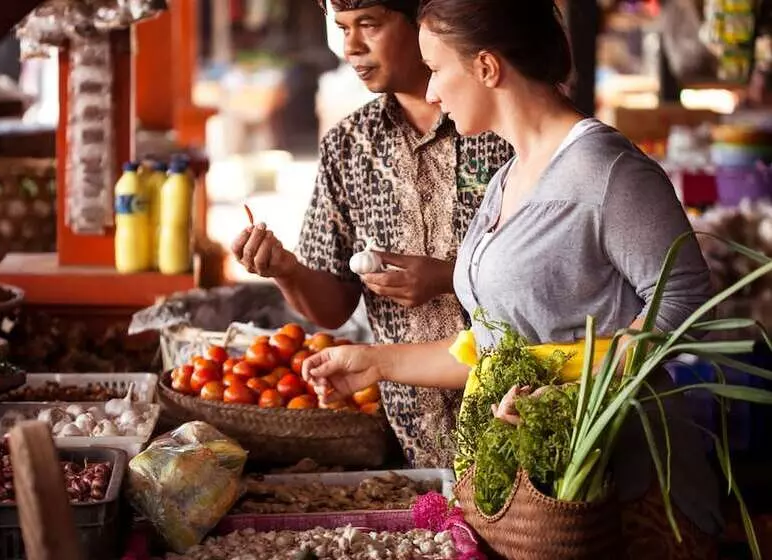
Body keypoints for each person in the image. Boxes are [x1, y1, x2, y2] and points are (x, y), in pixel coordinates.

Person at [302, 0, 722, 555]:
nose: (430, 93)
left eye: (437, 69)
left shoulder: (606, 170)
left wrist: (564, 404)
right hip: (542, 499)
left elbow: (688, 306)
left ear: (486, 67)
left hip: (623, 498)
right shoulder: (509, 177)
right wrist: (376, 363)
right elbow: (498, 350)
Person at [230, 0, 513, 468]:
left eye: (369, 25)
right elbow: (334, 308)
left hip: (514, 416)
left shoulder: (498, 125)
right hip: (410, 442)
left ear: (421, 23)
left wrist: (449, 277)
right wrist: (287, 271)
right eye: (341, 28)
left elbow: (550, 284)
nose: (351, 46)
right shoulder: (348, 146)